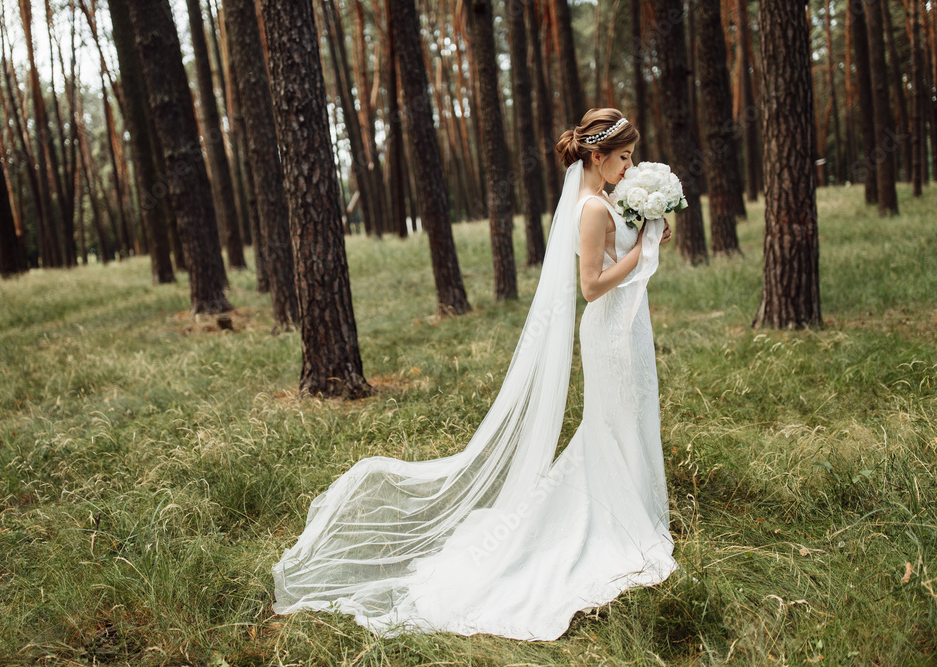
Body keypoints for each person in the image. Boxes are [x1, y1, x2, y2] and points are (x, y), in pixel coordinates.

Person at [272, 108, 678, 641]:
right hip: (609, 331)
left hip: (630, 327)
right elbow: (593, 286)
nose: (630, 167)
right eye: (623, 158)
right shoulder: (589, 209)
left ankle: (634, 504)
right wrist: (645, 245)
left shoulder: (606, 200)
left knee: (630, 415)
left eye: (631, 158)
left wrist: (651, 227)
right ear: (596, 158)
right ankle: (618, 518)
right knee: (613, 420)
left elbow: (625, 247)